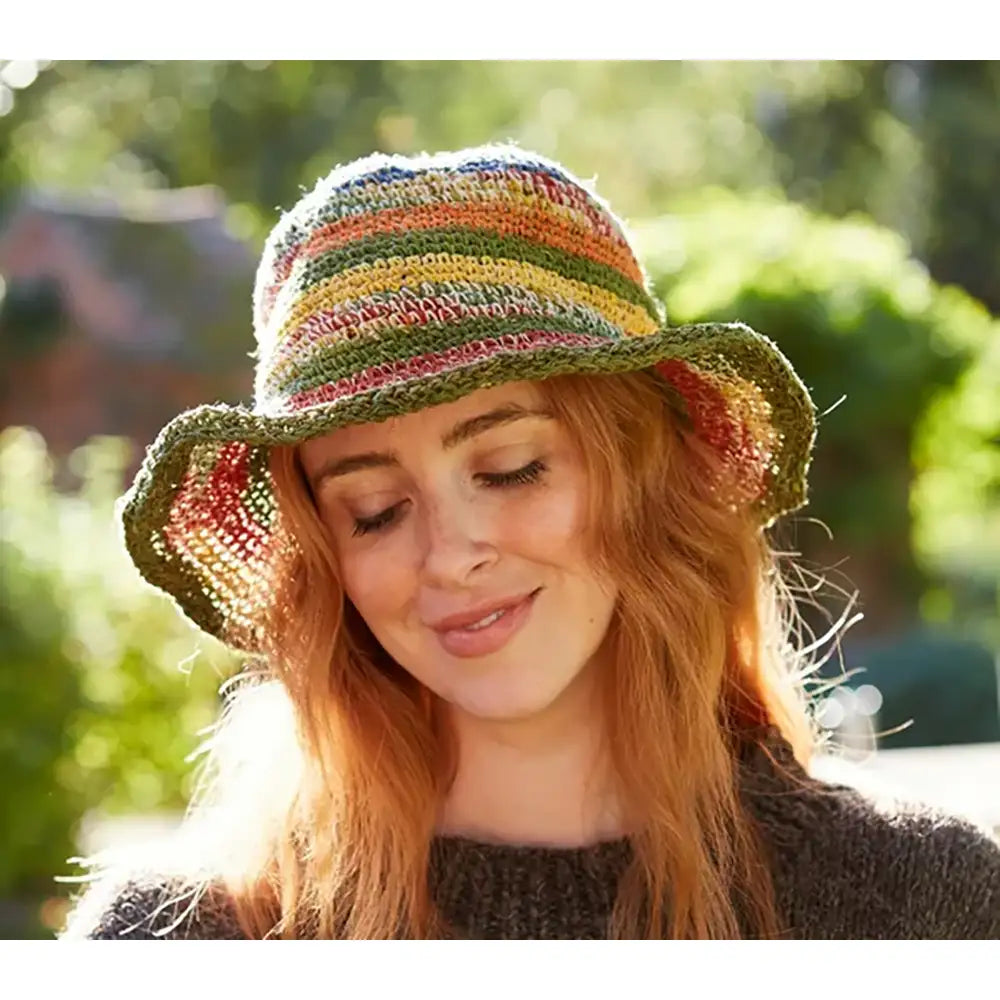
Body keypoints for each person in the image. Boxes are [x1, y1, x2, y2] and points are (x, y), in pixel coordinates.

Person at [62, 145, 1000, 940]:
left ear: (650, 475)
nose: (449, 553)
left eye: (511, 468)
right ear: (323, 560)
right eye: (375, 510)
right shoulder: (178, 940)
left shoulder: (928, 904)